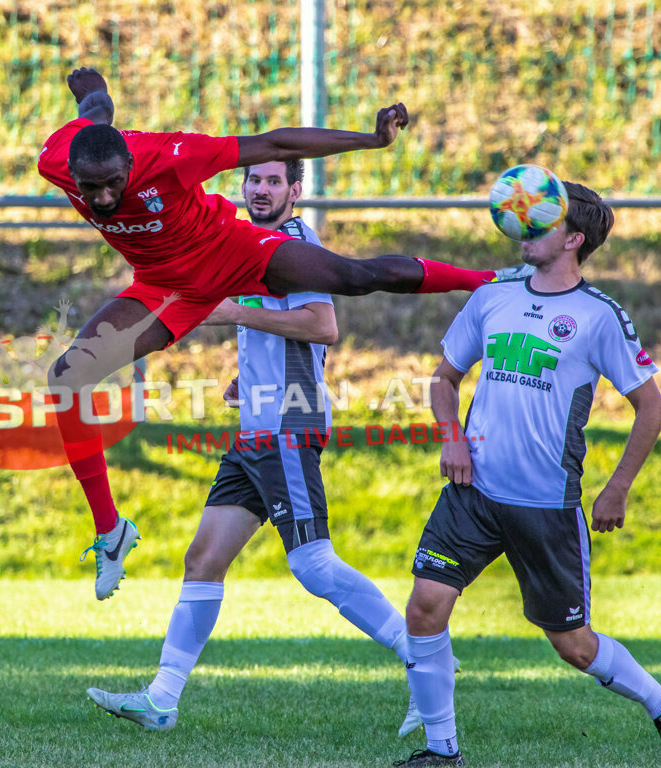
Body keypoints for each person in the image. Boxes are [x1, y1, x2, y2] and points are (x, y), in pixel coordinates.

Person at [37, 67, 526, 600]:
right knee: (67, 378)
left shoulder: (169, 155)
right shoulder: (57, 160)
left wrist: (370, 139)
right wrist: (87, 86)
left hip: (232, 254)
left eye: (115, 182)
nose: (105, 198)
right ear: (71, 173)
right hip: (163, 289)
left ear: (131, 162)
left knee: (356, 277)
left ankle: (495, 282)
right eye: (92, 188)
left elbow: (275, 142)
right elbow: (96, 112)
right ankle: (111, 532)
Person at [86, 159, 456, 733]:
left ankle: (427, 660)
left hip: (288, 420)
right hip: (255, 424)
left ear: (295, 190)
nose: (260, 189)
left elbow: (321, 324)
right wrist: (248, 371)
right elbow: (276, 324)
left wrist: (233, 312)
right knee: (203, 560)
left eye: (273, 181)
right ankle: (162, 699)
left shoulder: (294, 245)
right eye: (253, 179)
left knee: (312, 564)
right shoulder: (249, 241)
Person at [393, 183, 661, 767]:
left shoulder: (599, 317)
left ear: (574, 239)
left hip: (546, 506)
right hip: (472, 493)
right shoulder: (493, 297)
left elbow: (652, 407)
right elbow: (443, 378)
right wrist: (452, 437)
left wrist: (617, 487)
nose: (523, 226)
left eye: (541, 219)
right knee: (425, 606)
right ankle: (441, 751)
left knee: (574, 646)